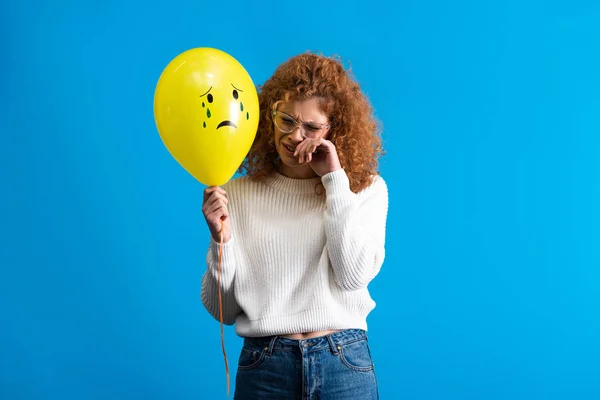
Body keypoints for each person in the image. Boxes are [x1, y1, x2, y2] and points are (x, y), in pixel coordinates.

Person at [200, 52, 388, 399]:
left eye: (311, 127)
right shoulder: (237, 194)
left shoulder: (364, 189)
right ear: (268, 114)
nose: (293, 135)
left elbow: (353, 275)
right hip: (265, 364)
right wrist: (220, 240)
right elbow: (222, 311)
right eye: (285, 120)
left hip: (342, 361)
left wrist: (334, 181)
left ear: (335, 131)